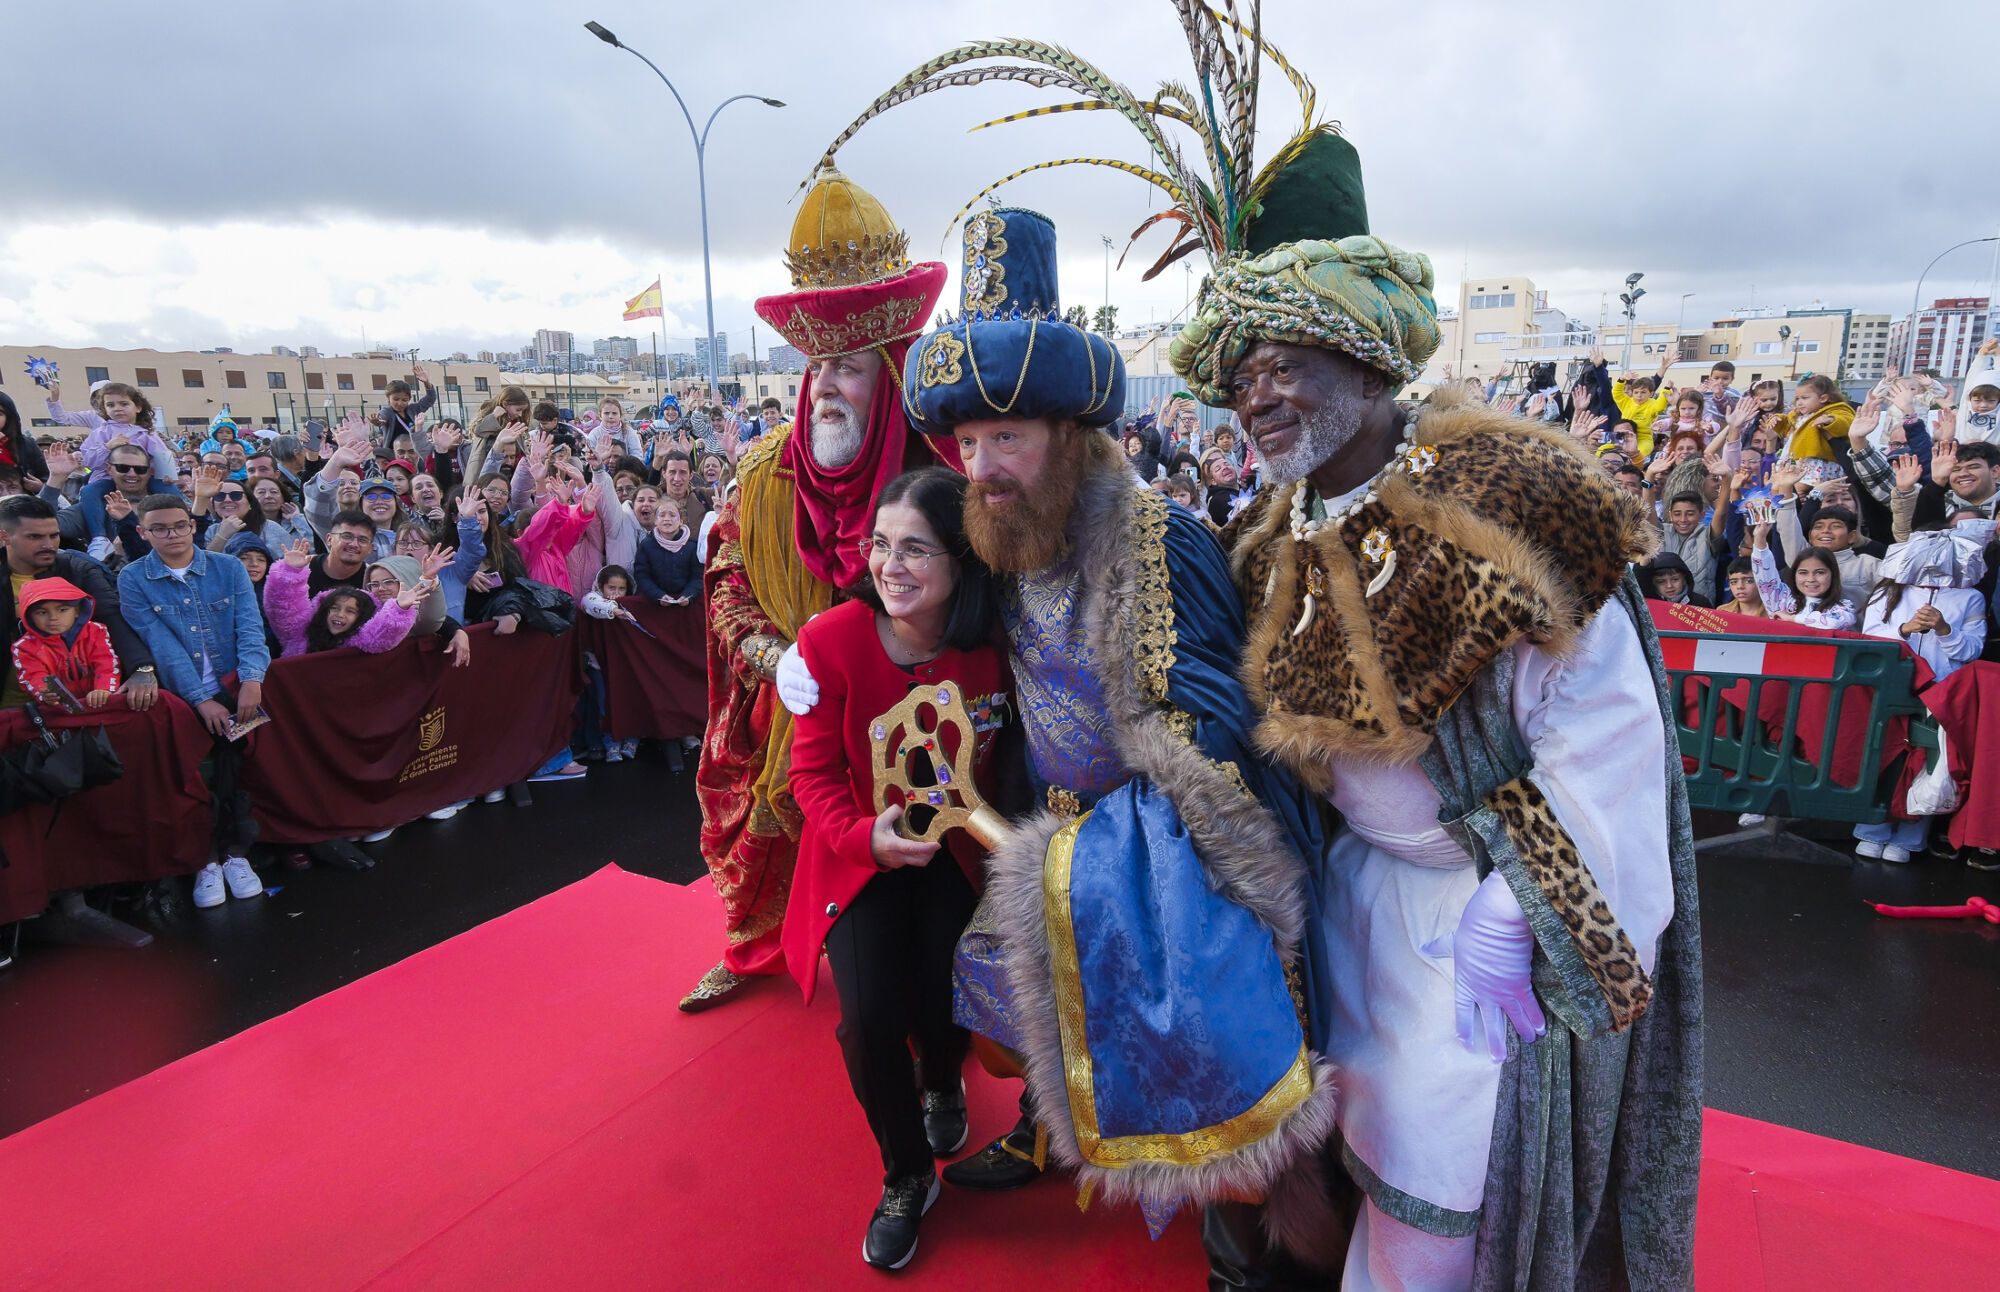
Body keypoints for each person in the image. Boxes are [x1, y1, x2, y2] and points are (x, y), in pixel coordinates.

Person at [1160, 89, 1697, 1284]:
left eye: (1282, 360)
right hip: (1353, 912)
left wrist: (1519, 908)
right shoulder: (1262, 536)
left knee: (1439, 1221)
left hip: (1475, 935)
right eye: (1240, 374)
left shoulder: (1506, 499)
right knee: (1343, 1164)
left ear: (1359, 348)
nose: (1254, 396)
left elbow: (1605, 734)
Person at [782, 207, 1333, 1269]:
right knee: (996, 986)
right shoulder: (999, 531)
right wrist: (825, 638)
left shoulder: (1151, 537)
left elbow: (1210, 736)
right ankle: (1047, 1128)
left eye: (1007, 438)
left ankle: (1239, 1244)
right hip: (1046, 822)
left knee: (1210, 1043)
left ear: (1069, 438)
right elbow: (916, 601)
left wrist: (1124, 858)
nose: (981, 463)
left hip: (1168, 847)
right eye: (970, 441)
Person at [682, 166, 959, 1013]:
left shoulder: (938, 475)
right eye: (815, 367)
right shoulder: (764, 474)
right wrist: (776, 658)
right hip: (792, 699)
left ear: (892, 371)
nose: (826, 386)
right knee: (764, 820)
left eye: (849, 367)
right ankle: (756, 945)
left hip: (911, 706)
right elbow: (728, 580)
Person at [783, 468, 1010, 1269]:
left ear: (962, 561)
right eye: (881, 545)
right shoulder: (830, 642)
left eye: (915, 548)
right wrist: (861, 837)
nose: (890, 565)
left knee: (951, 985)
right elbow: (807, 775)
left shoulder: (994, 643)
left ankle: (945, 1080)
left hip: (959, 855)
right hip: (861, 861)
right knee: (871, 1018)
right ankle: (907, 1173)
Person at [115, 495, 269, 909]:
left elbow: (249, 626)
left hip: (235, 686)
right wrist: (201, 700)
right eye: (160, 528)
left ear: (193, 525)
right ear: (143, 532)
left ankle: (236, 855)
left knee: (235, 774)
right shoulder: (133, 578)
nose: (173, 535)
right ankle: (206, 860)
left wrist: (253, 678)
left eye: (180, 525)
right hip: (181, 698)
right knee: (195, 781)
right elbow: (159, 643)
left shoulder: (228, 567)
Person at [0, 496, 158, 709]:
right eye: (35, 537)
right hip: (10, 705)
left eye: (54, 535)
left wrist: (142, 667)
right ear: (5, 537)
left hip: (77, 704)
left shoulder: (78, 569)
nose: (48, 545)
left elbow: (111, 615)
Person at [11, 576, 120, 710]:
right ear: (29, 617)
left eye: (62, 610)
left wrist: (104, 689)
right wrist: (45, 693)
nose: (53, 618)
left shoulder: (96, 631)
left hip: (99, 704)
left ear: (77, 611)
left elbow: (106, 663)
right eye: (42, 612)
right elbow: (34, 676)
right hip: (59, 710)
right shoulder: (24, 647)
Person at [42, 379, 172, 480]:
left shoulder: (144, 432)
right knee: (89, 493)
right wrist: (55, 396)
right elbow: (62, 418)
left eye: (123, 403)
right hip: (105, 476)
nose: (117, 408)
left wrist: (168, 475)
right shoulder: (93, 420)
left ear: (137, 407)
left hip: (140, 476)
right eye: (110, 404)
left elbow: (161, 454)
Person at [1750, 520, 1854, 629]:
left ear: (1833, 575)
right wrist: (1759, 538)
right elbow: (1765, 577)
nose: (1811, 579)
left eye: (1820, 572)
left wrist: (1791, 619)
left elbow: (1832, 623)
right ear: (1794, 575)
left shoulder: (1844, 607)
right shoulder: (1783, 601)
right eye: (1803, 573)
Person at [634, 499, 701, 605]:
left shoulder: (692, 546)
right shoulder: (646, 545)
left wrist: (688, 595)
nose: (667, 519)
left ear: (681, 520)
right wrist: (658, 595)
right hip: (655, 603)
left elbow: (698, 576)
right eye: (662, 515)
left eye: (672, 515)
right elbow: (642, 575)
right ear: (655, 520)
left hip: (685, 603)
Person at [0, 391, 51, 483]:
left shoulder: (26, 444)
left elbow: (45, 476)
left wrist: (40, 487)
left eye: (0, 414)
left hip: (22, 495)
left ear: (8, 418)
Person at [1639, 552, 1710, 606]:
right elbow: (1641, 576)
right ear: (1653, 583)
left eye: (1675, 579)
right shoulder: (1650, 602)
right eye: (1661, 581)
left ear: (1685, 579)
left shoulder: (1700, 602)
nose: (1669, 586)